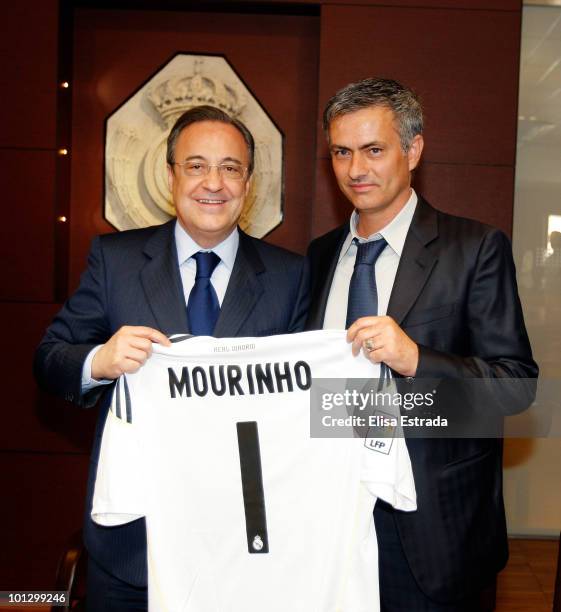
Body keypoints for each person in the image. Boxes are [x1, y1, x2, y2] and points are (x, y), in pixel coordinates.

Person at [34, 105, 309, 611]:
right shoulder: (114, 261)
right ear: (170, 175)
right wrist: (99, 359)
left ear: (248, 183)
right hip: (132, 546)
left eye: (230, 168)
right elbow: (49, 359)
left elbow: (303, 404)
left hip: (243, 546)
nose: (214, 182)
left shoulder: (290, 277)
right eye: (196, 165)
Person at [305, 77, 538, 611]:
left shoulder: (474, 248)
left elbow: (517, 386)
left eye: (374, 150)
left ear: (413, 149)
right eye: (341, 152)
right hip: (331, 521)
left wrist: (416, 360)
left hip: (433, 532)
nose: (355, 170)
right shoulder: (320, 257)